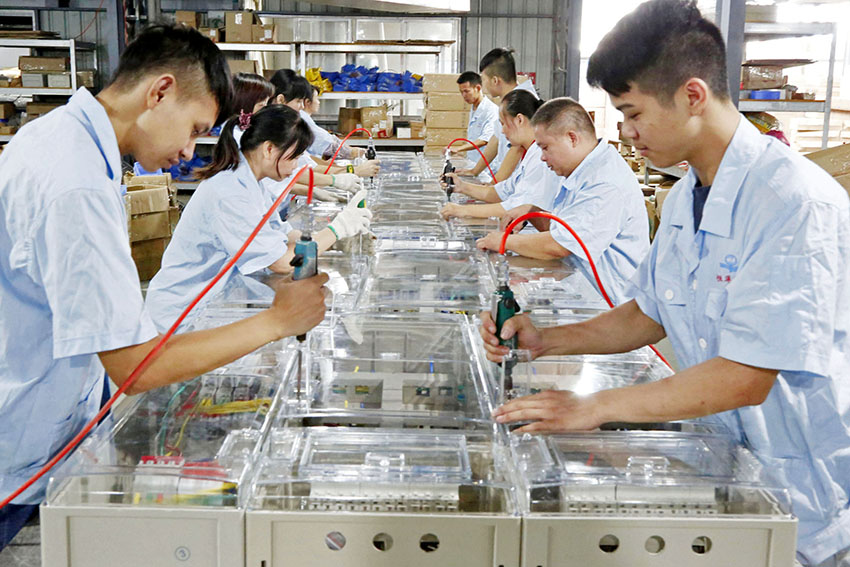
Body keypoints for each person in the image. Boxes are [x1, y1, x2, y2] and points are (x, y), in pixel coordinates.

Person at [479, 2, 850, 566]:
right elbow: (647, 313)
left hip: (808, 495)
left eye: (632, 113)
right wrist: (546, 339)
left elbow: (747, 375)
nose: (625, 132)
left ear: (692, 95)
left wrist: (593, 406)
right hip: (733, 469)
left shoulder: (793, 203)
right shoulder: (684, 198)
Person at [0, 25, 328, 550]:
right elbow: (136, 368)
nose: (189, 149)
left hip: (50, 408)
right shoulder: (75, 181)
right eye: (195, 128)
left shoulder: (65, 141)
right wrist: (277, 322)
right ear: (160, 92)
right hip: (20, 433)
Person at [145, 105, 372, 333]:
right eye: (294, 157)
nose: (296, 167)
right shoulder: (230, 192)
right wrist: (336, 229)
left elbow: (282, 234)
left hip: (208, 302)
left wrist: (331, 241)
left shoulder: (252, 183)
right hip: (181, 312)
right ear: (269, 149)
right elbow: (281, 262)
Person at [476, 98, 649, 305]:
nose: (542, 157)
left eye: (545, 147)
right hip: (581, 290)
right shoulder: (581, 172)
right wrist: (532, 212)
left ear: (572, 138)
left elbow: (561, 245)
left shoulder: (605, 182)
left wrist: (502, 241)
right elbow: (566, 229)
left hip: (609, 304)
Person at [440, 91, 559, 221]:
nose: (502, 131)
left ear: (519, 120)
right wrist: (461, 186)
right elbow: (501, 192)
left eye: (503, 124)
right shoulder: (529, 153)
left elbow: (516, 207)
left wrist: (463, 210)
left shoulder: (540, 158)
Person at [456, 48, 539, 182]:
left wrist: (493, 186)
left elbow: (517, 149)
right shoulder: (508, 101)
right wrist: (475, 171)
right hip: (508, 182)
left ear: (495, 80)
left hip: (522, 180)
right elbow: (496, 138)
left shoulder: (522, 101)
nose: (483, 85)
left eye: (484, 79)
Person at [448, 71, 500, 164]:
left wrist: (458, 148)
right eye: (461, 92)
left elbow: (485, 140)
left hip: (487, 165)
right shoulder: (474, 108)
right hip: (474, 162)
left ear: (478, 88)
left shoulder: (491, 110)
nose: (464, 96)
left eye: (466, 91)